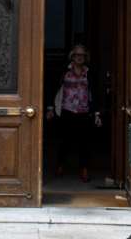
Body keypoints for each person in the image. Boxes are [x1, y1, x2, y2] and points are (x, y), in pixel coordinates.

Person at [46, 44, 102, 182]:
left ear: (85, 57)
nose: (79, 57)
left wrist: (97, 114)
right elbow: (53, 88)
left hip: (84, 112)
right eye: (77, 55)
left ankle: (84, 170)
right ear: (72, 56)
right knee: (65, 141)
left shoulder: (89, 72)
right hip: (66, 110)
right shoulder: (64, 71)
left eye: (82, 55)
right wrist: (50, 108)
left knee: (84, 143)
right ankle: (60, 166)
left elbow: (94, 93)